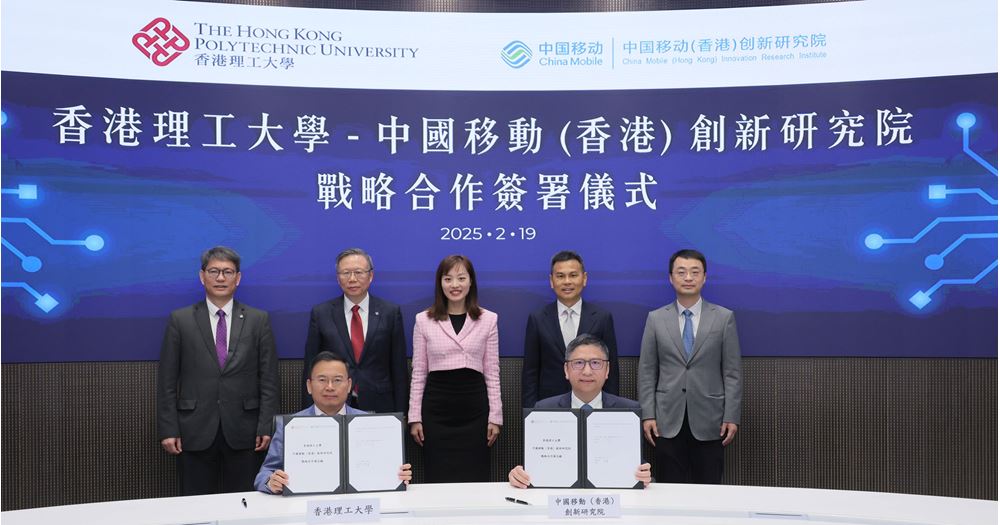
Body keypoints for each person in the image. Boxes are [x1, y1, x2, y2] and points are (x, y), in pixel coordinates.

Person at [157, 246, 279, 495]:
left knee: (246, 503)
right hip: (194, 429)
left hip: (245, 430)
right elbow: (167, 381)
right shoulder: (180, 320)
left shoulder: (258, 319)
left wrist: (267, 425)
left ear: (238, 277)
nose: (221, 278)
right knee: (196, 505)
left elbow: (268, 379)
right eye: (214, 271)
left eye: (227, 272)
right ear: (202, 276)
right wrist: (169, 428)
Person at [638, 249, 742, 484]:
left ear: (704, 277)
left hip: (711, 419)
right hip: (667, 419)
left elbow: (732, 372)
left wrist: (731, 415)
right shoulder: (655, 319)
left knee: (710, 487)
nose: (688, 278)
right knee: (668, 487)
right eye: (681, 272)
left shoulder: (724, 318)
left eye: (695, 272)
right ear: (670, 278)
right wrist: (648, 414)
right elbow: (647, 371)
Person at [255, 352, 412, 494]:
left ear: (349, 385)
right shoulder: (290, 426)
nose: (329, 387)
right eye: (322, 380)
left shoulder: (371, 424)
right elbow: (264, 474)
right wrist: (271, 482)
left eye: (337, 380)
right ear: (309, 386)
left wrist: (397, 475)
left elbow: (385, 469)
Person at [508, 334, 651, 489]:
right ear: (566, 370)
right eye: (578, 363)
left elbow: (637, 466)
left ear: (607, 370)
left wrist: (643, 474)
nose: (587, 371)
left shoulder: (628, 412)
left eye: (596, 363)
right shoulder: (543, 410)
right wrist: (519, 475)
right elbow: (535, 466)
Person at [408, 255, 502, 483]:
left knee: (475, 476)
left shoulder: (488, 319)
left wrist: (495, 417)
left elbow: (492, 372)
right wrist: (415, 417)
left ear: (471, 282)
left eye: (461, 278)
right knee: (438, 477)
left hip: (475, 410)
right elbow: (419, 373)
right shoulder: (423, 320)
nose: (455, 285)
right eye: (448, 279)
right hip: (437, 410)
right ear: (440, 283)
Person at [302, 248, 408, 413]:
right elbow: (310, 367)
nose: (352, 279)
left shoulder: (390, 312)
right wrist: (309, 413)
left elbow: (399, 369)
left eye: (358, 272)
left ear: (370, 276)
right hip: (333, 405)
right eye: (346, 273)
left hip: (380, 404)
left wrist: (402, 414)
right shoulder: (321, 313)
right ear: (338, 278)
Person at [522, 250, 620, 408]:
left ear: (584, 278)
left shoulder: (602, 318)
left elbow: (611, 370)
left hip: (592, 404)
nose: (567, 282)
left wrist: (610, 410)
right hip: (550, 406)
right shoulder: (538, 318)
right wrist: (530, 413)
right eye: (560, 276)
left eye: (573, 275)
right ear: (551, 281)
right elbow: (530, 373)